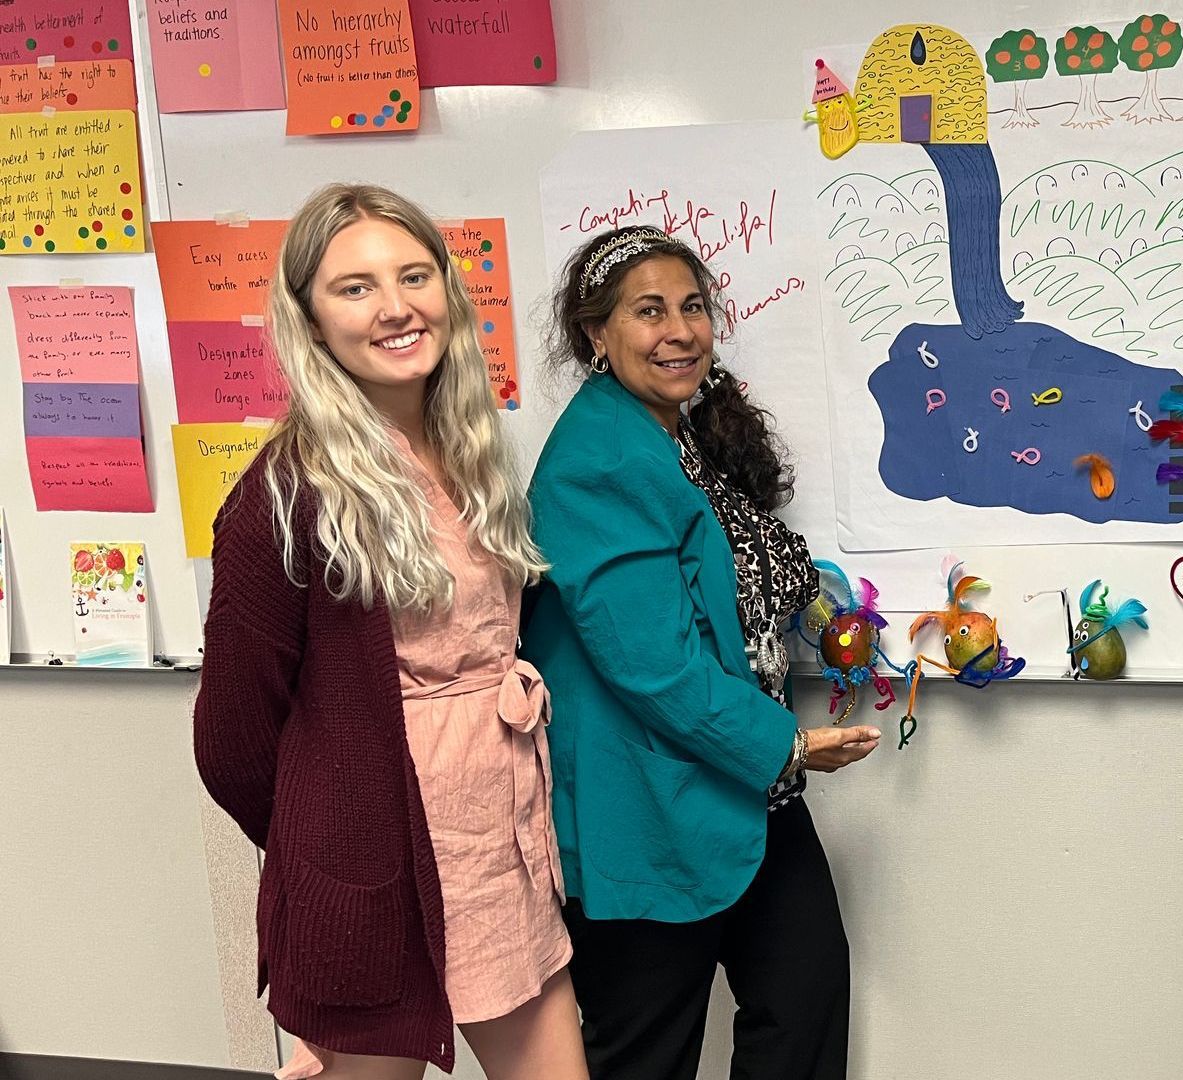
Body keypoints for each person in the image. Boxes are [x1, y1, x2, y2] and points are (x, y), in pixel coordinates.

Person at [192, 183, 588, 1079]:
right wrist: (329, 842)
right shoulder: (284, 498)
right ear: (310, 319)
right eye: (356, 287)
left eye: (414, 275)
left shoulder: (469, 451)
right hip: (375, 875)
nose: (397, 307)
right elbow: (231, 742)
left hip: (498, 854)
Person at [522, 223, 881, 1080]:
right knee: (647, 1051)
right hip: (649, 804)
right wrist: (785, 746)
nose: (679, 330)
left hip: (744, 788)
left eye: (692, 307)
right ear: (595, 336)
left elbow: (743, 578)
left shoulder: (682, 438)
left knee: (804, 1001)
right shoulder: (595, 464)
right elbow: (654, 667)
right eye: (648, 311)